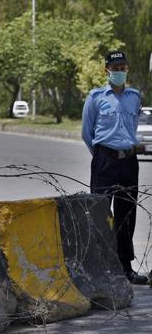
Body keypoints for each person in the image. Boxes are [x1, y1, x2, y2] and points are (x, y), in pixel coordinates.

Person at [81, 50, 147, 285]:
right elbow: (86, 133)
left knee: (126, 215)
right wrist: (103, 155)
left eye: (123, 68)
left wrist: (125, 150)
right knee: (99, 213)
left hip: (129, 161)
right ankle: (97, 268)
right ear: (106, 70)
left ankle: (125, 267)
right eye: (115, 68)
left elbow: (132, 127)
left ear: (127, 69)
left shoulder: (134, 97)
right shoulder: (96, 97)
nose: (119, 72)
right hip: (104, 161)